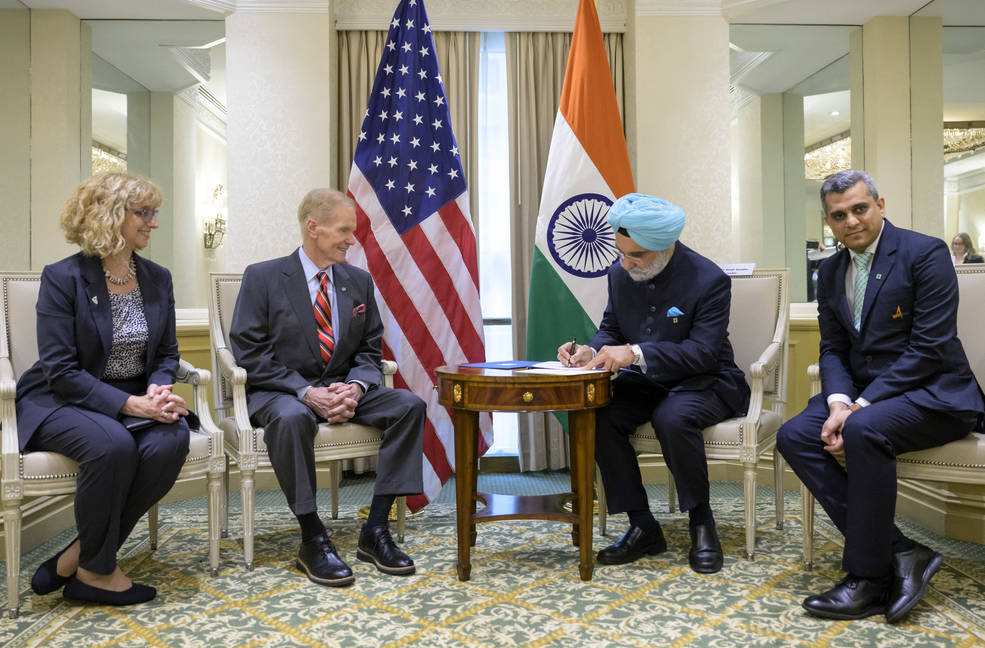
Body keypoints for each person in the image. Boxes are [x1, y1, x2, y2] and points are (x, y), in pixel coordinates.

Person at [777, 170, 984, 622]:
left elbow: (929, 347)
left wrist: (856, 407)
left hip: (936, 393)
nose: (851, 221)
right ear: (827, 222)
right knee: (794, 434)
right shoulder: (830, 271)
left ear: (880, 204)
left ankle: (867, 578)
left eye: (859, 208)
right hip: (865, 398)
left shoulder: (924, 252)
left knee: (864, 429)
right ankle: (902, 550)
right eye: (839, 215)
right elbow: (832, 347)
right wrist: (836, 403)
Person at [229, 188, 425, 587]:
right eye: (344, 231)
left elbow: (370, 350)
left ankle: (375, 530)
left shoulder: (358, 281)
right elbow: (249, 351)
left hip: (341, 390)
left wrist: (355, 388)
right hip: (283, 393)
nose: (352, 240)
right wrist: (305, 392)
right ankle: (312, 536)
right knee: (291, 419)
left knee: (409, 405)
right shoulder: (263, 277)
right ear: (313, 228)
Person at [16, 172, 191, 606]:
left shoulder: (158, 278)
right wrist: (131, 404)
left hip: (133, 398)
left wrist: (156, 391)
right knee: (112, 446)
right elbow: (59, 369)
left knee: (172, 439)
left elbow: (167, 353)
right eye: (143, 213)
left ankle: (81, 559)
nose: (153, 223)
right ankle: (97, 572)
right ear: (111, 215)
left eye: (154, 214)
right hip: (61, 398)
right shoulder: (64, 277)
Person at [557, 193, 750, 574]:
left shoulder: (708, 279)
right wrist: (589, 352)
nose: (625, 264)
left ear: (666, 247)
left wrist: (634, 353)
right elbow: (611, 328)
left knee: (673, 418)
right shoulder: (620, 272)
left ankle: (701, 520)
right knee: (596, 414)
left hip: (706, 381)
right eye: (621, 254)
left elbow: (703, 353)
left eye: (637, 256)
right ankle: (642, 525)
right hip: (647, 382)